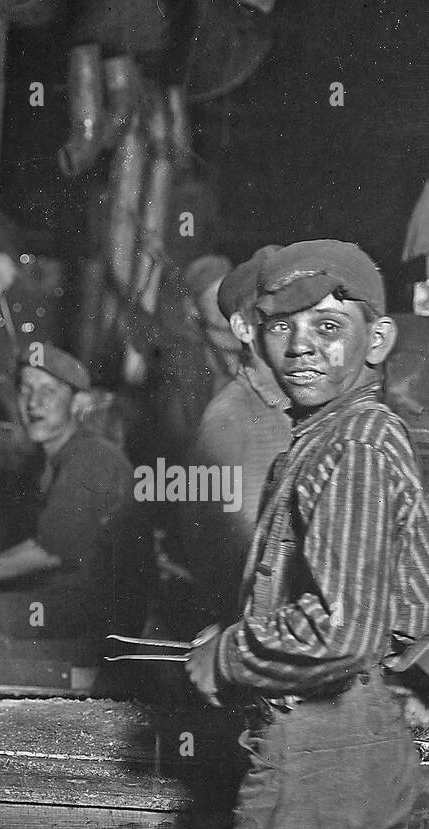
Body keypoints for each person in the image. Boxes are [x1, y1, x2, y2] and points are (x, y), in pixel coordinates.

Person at [185, 239, 429, 829]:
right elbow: (415, 609)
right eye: (280, 327)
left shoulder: (351, 445)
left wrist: (229, 653)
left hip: (317, 755)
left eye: (328, 326)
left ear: (379, 339)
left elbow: (338, 630)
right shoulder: (348, 434)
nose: (300, 347)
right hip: (363, 742)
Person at [0, 343, 150, 706]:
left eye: (48, 392)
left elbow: (50, 551)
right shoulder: (49, 462)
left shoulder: (92, 457)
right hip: (69, 604)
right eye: (25, 390)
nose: (33, 403)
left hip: (104, 621)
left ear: (76, 403)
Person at [181, 245, 291, 624]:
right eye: (277, 320)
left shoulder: (304, 407)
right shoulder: (230, 418)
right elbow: (227, 555)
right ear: (244, 329)